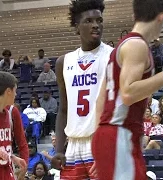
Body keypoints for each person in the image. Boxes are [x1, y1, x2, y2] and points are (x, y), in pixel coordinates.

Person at [91, 0, 163, 179]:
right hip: (119, 133)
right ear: (162, 16)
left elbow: (100, 101)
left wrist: (101, 146)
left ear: (134, 15)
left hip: (113, 135)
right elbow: (128, 94)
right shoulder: (137, 45)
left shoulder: (120, 47)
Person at [52, 0, 114, 179]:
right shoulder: (64, 62)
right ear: (77, 27)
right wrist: (59, 149)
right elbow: (64, 109)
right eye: (89, 21)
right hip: (73, 147)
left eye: (99, 20)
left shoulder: (113, 56)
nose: (96, 25)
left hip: (101, 142)